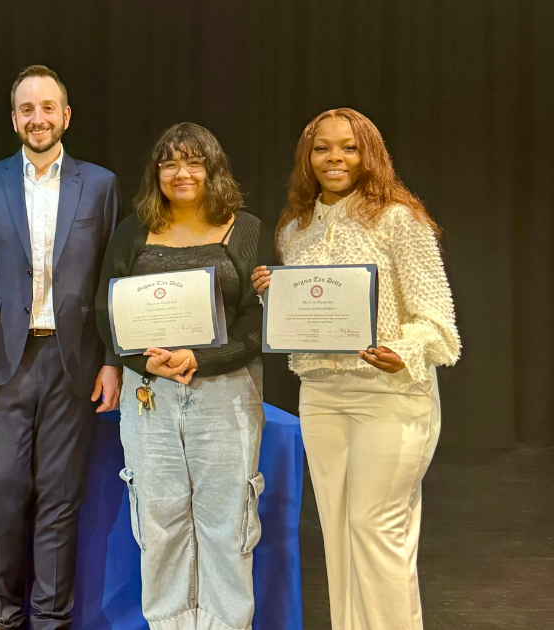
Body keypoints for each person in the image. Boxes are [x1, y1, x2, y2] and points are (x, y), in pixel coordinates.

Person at [251, 108, 460, 630]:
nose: (334, 158)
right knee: (339, 534)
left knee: (374, 527)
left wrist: (402, 350)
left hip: (391, 395)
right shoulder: (294, 229)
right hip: (322, 397)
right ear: (308, 156)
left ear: (369, 154)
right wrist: (270, 298)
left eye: (347, 147)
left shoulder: (398, 219)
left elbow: (439, 325)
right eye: (322, 148)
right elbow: (305, 319)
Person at [0, 64, 120, 630]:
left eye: (48, 107)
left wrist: (110, 360)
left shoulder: (99, 184)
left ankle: (51, 620)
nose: (38, 118)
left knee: (60, 497)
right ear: (13, 119)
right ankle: (1, 618)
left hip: (73, 361)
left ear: (66, 115)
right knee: (2, 496)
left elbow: (109, 280)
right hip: (4, 361)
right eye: (27, 109)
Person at [95, 123, 271, 630]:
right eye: (170, 162)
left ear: (213, 170)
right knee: (158, 520)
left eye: (194, 162)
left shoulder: (248, 229)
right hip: (149, 393)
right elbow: (105, 308)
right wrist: (139, 362)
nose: (181, 172)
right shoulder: (132, 231)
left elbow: (259, 322)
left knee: (227, 521)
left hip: (226, 392)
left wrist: (202, 360)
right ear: (157, 172)